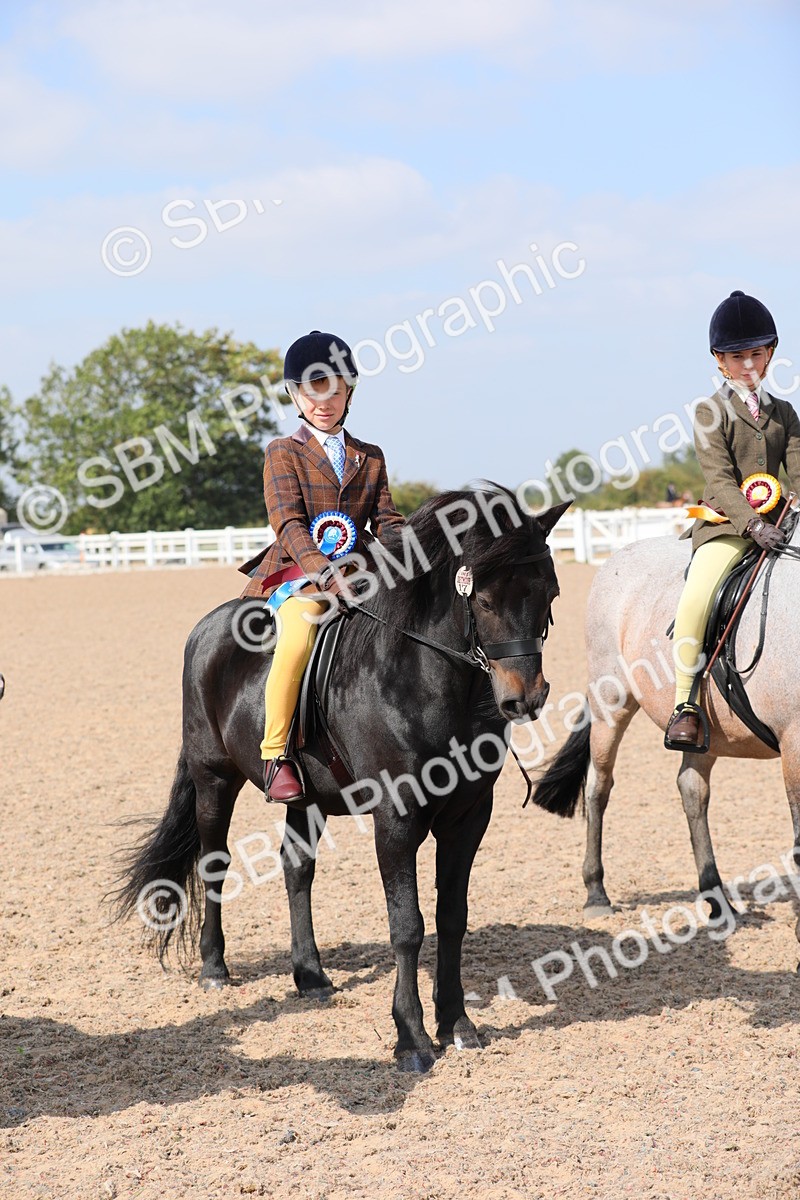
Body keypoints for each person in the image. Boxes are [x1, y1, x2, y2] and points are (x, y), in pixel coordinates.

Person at [238, 330, 405, 801]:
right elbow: (287, 524)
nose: (322, 401)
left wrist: (419, 554)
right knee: (296, 637)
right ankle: (275, 755)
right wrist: (322, 571)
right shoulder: (282, 452)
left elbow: (387, 521)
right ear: (296, 395)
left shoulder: (370, 456)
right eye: (311, 391)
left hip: (361, 573)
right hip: (298, 578)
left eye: (332, 388)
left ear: (348, 391)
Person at [664, 291, 800, 750]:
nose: (748, 365)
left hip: (780, 525)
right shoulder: (710, 412)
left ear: (770, 355)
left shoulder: (785, 414)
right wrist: (753, 525)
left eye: (756, 354)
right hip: (726, 526)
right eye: (737, 356)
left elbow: (799, 475)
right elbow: (720, 481)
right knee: (697, 598)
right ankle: (686, 703)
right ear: (720, 361)